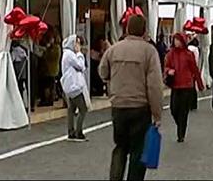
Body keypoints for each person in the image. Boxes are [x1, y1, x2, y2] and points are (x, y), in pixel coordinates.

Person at [99, 13, 163, 181]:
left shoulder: (114, 49)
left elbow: (102, 71)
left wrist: (113, 81)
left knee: (120, 146)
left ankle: (115, 177)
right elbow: (155, 86)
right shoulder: (149, 51)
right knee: (138, 150)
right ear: (144, 31)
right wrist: (157, 114)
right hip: (140, 107)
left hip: (118, 105)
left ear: (127, 29)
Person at [163, 33, 204, 143]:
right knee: (174, 109)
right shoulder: (170, 54)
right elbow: (166, 66)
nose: (176, 43)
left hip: (186, 85)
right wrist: (168, 71)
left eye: (178, 40)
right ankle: (179, 124)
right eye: (175, 40)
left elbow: (194, 69)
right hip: (175, 85)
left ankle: (181, 133)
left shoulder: (188, 54)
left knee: (184, 111)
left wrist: (200, 84)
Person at [61, 35, 90, 142]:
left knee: (71, 109)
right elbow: (81, 66)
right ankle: (78, 132)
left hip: (69, 86)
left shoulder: (66, 54)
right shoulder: (70, 55)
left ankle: (71, 131)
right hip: (74, 86)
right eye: (77, 43)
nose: (78, 45)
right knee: (83, 109)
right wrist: (79, 54)